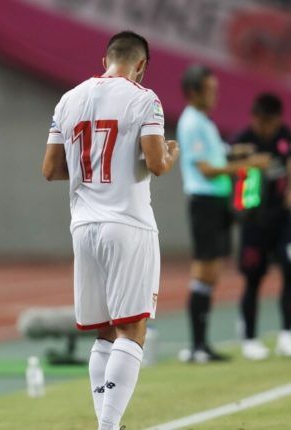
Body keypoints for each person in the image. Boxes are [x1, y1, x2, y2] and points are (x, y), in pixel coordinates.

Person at [42, 31, 178, 430]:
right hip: (128, 223)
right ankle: (108, 426)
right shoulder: (145, 99)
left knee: (104, 332)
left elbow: (50, 168)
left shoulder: (68, 99)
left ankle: (107, 422)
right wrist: (170, 154)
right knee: (131, 329)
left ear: (105, 60)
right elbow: (155, 162)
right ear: (141, 65)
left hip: (83, 225)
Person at [176, 65, 269, 363]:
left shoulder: (204, 121)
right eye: (210, 89)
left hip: (215, 201)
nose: (215, 94)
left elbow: (215, 156)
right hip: (204, 201)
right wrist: (248, 165)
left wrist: (236, 153)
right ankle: (197, 346)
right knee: (204, 271)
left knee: (212, 272)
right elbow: (205, 167)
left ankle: (201, 344)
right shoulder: (192, 123)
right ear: (193, 92)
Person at [234, 93, 291, 359]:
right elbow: (226, 164)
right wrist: (251, 164)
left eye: (270, 122)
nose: (265, 127)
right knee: (253, 278)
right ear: (255, 118)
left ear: (277, 120)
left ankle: (288, 334)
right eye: (260, 121)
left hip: (283, 217)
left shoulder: (285, 135)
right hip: (254, 220)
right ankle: (250, 339)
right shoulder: (243, 139)